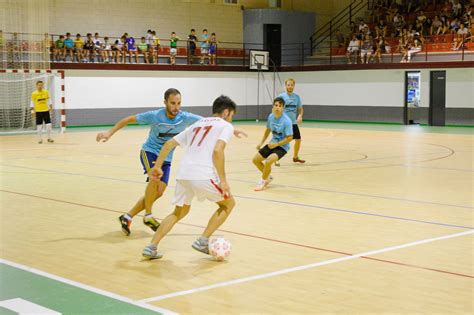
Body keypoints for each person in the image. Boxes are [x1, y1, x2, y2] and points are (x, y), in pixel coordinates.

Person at [96, 89, 246, 236]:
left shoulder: (185, 117)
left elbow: (211, 123)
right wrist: (109, 133)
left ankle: (127, 217)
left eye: (179, 103)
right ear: (165, 102)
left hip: (166, 157)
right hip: (150, 152)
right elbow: (128, 119)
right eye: (173, 103)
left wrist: (234, 130)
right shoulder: (155, 115)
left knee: (159, 192)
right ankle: (148, 215)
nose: (176, 107)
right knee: (154, 180)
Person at [142, 95, 237, 259]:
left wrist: (157, 166)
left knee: (179, 211)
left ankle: (151, 247)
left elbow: (169, 144)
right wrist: (223, 180)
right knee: (228, 204)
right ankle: (202, 240)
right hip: (203, 174)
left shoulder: (198, 124)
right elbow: (217, 150)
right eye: (232, 116)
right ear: (227, 112)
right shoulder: (225, 125)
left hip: (184, 173)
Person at [252, 97, 293, 191]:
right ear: (273, 106)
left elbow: (290, 138)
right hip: (272, 144)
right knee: (255, 160)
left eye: (280, 106)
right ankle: (268, 177)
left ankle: (262, 181)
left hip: (282, 146)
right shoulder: (271, 116)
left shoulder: (287, 121)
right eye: (276, 105)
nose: (277, 107)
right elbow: (268, 130)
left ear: (283, 108)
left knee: (268, 161)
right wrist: (261, 142)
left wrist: (276, 145)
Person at [277, 78, 305, 164]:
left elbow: (300, 109)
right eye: (288, 85)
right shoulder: (281, 97)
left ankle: (295, 157)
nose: (290, 86)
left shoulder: (297, 97)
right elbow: (276, 108)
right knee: (281, 141)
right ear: (286, 86)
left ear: (294, 86)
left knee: (298, 140)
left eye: (291, 85)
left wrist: (300, 116)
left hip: (293, 123)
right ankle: (276, 159)